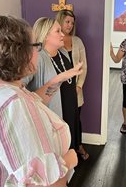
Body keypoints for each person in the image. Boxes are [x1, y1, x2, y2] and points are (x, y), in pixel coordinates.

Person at [0, 16, 78, 187]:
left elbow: (33, 98)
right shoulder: (11, 105)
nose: (38, 50)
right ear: (19, 53)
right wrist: (67, 162)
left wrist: (57, 80)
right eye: (35, 46)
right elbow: (40, 183)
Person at [23, 17, 82, 156]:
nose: (63, 34)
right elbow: (20, 87)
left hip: (69, 110)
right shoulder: (37, 58)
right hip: (53, 116)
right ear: (45, 35)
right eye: (58, 31)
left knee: (69, 150)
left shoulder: (62, 53)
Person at [56, 9, 89, 160]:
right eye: (67, 22)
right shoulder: (54, 41)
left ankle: (78, 145)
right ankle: (65, 150)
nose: (70, 25)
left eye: (72, 23)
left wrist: (79, 85)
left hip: (76, 89)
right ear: (60, 21)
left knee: (76, 118)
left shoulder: (77, 41)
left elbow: (84, 66)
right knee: (62, 121)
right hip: (59, 90)